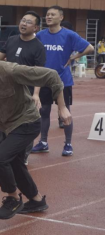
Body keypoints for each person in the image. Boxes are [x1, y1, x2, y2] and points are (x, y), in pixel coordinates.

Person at [0, 36, 71, 219]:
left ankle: (12, 198)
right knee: (15, 163)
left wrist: (62, 107)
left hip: (27, 121)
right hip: (6, 126)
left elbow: (51, 75)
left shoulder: (9, 70)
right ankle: (37, 200)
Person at [0, 11, 46, 165]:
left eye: (28, 22)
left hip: (27, 93)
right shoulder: (11, 39)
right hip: (5, 90)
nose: (23, 24)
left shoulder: (38, 47)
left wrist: (36, 94)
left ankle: (23, 156)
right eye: (23, 20)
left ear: (36, 27)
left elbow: (39, 73)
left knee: (24, 124)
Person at [31, 6, 94, 157]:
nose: (49, 17)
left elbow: (90, 48)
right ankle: (43, 142)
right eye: (47, 15)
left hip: (63, 81)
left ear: (61, 17)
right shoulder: (40, 35)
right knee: (43, 111)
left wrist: (73, 57)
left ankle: (68, 144)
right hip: (45, 81)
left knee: (65, 113)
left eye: (52, 14)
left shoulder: (69, 35)